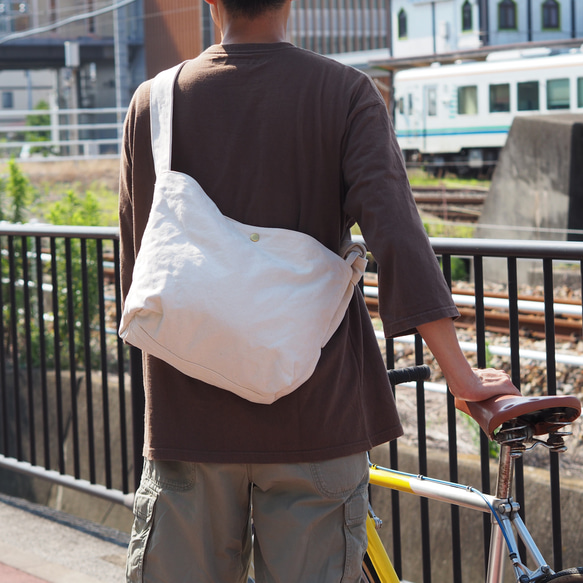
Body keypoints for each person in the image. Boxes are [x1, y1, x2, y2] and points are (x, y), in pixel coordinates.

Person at [119, 1, 520, 581]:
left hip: (189, 418)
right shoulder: (346, 94)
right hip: (317, 413)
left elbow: (142, 270)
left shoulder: (155, 104)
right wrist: (460, 374)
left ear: (210, 1)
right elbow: (397, 236)